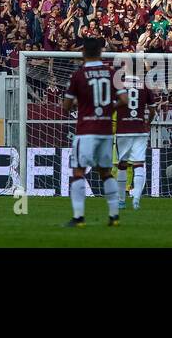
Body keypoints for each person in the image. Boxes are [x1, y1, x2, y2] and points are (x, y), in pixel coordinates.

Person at [62, 36, 127, 228]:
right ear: (100, 52)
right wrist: (109, 109)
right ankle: (114, 216)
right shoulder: (111, 72)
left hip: (86, 130)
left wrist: (78, 103)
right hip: (106, 130)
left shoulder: (79, 75)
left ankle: (79, 218)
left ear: (83, 53)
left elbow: (66, 106)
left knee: (79, 171)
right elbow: (123, 99)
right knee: (106, 172)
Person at [116, 73, 154, 211]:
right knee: (139, 164)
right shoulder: (145, 86)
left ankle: (121, 201)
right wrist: (147, 122)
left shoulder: (119, 85)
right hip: (139, 129)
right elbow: (153, 109)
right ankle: (136, 200)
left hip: (123, 129)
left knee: (122, 165)